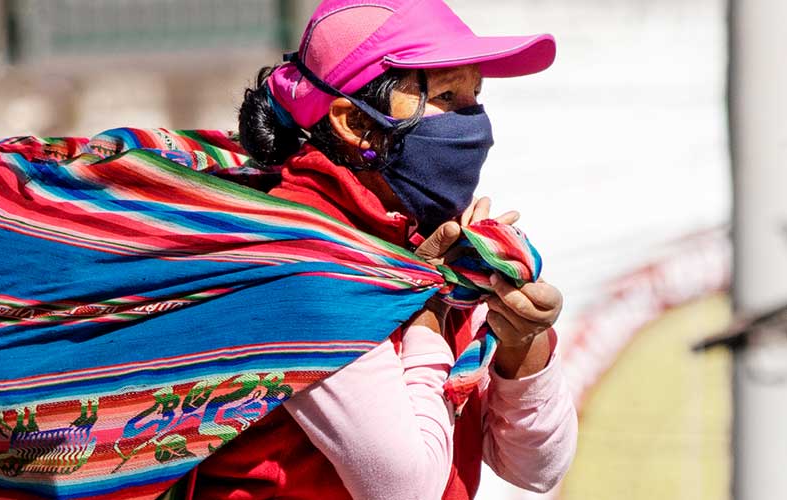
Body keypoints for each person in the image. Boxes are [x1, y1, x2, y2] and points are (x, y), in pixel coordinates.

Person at [191, 0, 578, 498]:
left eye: (475, 94)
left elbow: (536, 470)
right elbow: (404, 488)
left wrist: (523, 346)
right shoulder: (302, 261)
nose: (473, 123)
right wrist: (429, 311)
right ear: (354, 123)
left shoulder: (424, 238)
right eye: (445, 95)